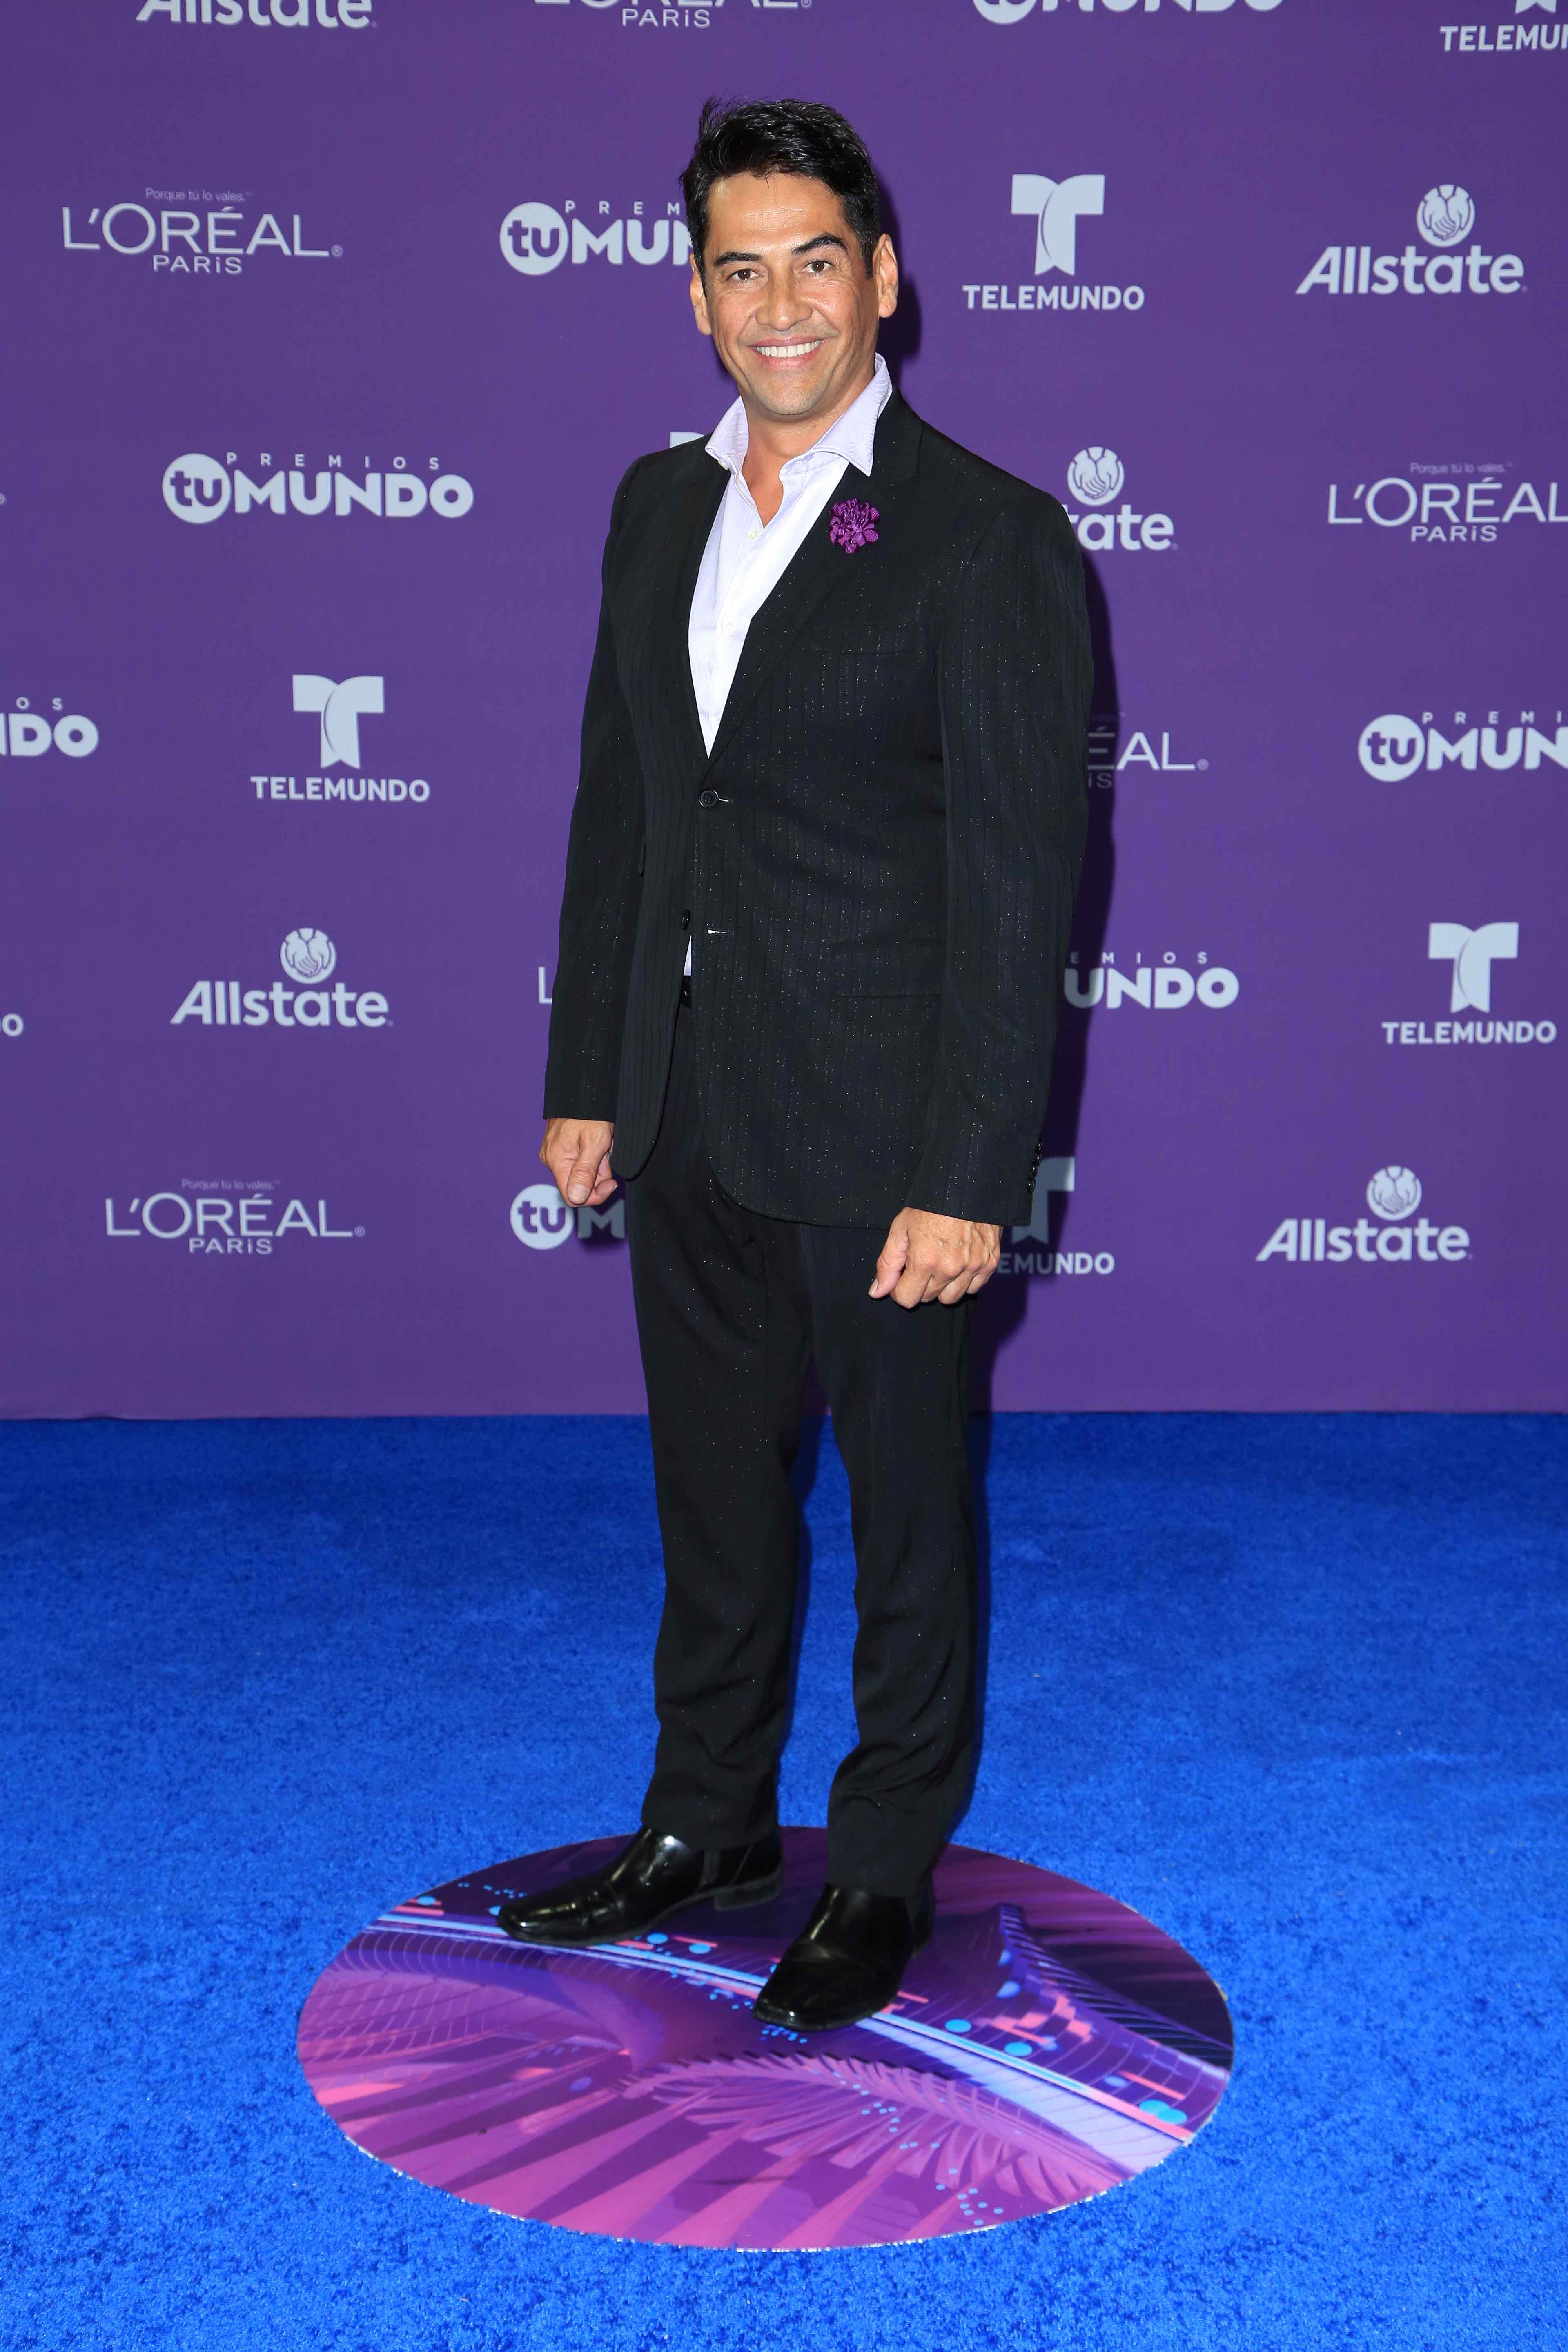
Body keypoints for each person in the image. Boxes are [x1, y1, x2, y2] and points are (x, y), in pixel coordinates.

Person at [500, 98, 1090, 2032]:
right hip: (682, 1101)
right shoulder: (653, 505)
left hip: (885, 1133)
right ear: (697, 294)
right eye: (740, 268)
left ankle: (889, 1861)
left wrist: (970, 1167)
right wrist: (590, 1063)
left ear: (885, 280)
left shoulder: (987, 538)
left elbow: (1019, 888)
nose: (780, 304)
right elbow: (624, 811)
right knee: (712, 1501)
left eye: (816, 262)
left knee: (912, 1506)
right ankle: (706, 1822)